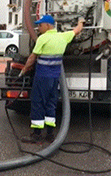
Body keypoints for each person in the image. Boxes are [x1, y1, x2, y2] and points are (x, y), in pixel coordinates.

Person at [20, 15, 85, 143]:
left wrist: (24, 70)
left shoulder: (43, 38)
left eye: (40, 25)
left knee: (38, 104)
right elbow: (77, 30)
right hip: (55, 78)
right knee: (51, 104)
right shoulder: (62, 36)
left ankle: (37, 135)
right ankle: (50, 135)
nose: (38, 28)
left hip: (42, 78)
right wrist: (81, 21)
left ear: (48, 25)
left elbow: (32, 58)